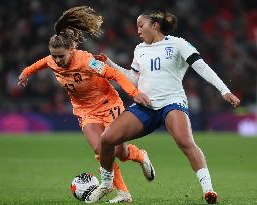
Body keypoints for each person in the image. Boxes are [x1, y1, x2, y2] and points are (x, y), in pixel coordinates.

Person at [87, 10, 241, 204]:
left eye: (141, 25)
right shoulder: (140, 49)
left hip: (172, 103)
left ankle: (208, 189)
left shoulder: (178, 44)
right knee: (107, 139)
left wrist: (224, 90)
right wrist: (110, 64)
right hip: (145, 107)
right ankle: (107, 184)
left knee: (185, 142)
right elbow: (134, 79)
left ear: (155, 25)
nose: (138, 30)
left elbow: (201, 66)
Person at [17, 6, 155, 203]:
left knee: (120, 153)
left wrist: (134, 93)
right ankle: (123, 193)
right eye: (54, 56)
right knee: (101, 150)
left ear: (71, 50)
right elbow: (41, 63)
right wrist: (26, 72)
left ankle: (140, 155)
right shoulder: (52, 60)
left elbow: (113, 74)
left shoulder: (86, 61)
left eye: (61, 56)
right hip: (85, 110)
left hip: (108, 103)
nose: (57, 60)